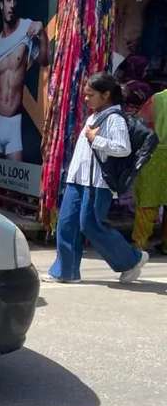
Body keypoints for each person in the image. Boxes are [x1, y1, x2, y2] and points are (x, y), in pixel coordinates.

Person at [47, 73, 148, 284]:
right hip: (78, 179)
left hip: (97, 183)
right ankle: (65, 271)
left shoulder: (114, 118)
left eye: (90, 95)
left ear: (106, 94)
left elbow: (123, 148)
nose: (86, 99)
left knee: (91, 225)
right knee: (67, 223)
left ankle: (132, 259)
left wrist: (96, 139)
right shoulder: (94, 116)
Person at [0, 0, 49, 162]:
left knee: (17, 175)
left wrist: (42, 35)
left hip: (14, 121)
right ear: (2, 5)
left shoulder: (27, 28)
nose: (12, 5)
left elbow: (44, 61)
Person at [131, 88, 167, 255]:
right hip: (157, 154)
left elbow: (141, 124)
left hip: (155, 155)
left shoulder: (158, 99)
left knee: (148, 202)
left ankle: (140, 244)